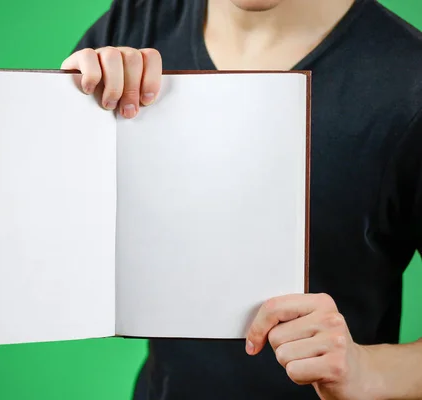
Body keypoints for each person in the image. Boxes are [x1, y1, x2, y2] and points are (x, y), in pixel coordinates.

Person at [61, 0, 422, 399]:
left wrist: (367, 371)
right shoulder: (132, 25)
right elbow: (51, 232)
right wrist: (64, 103)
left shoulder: (409, 79)